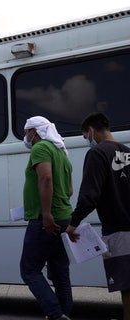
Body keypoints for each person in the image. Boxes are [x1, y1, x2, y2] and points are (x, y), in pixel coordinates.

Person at [66, 112, 130, 320]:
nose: (87, 141)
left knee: (126, 286)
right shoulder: (128, 151)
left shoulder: (97, 153)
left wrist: (73, 223)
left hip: (118, 229)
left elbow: (89, 196)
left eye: (86, 136)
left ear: (91, 131)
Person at [19, 116, 73, 320]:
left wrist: (47, 213)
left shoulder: (40, 148)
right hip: (64, 215)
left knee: (29, 270)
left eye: (26, 133)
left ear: (35, 132)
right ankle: (64, 314)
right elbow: (69, 189)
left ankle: (55, 314)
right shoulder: (61, 152)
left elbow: (46, 178)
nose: (26, 137)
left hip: (46, 218)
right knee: (60, 273)